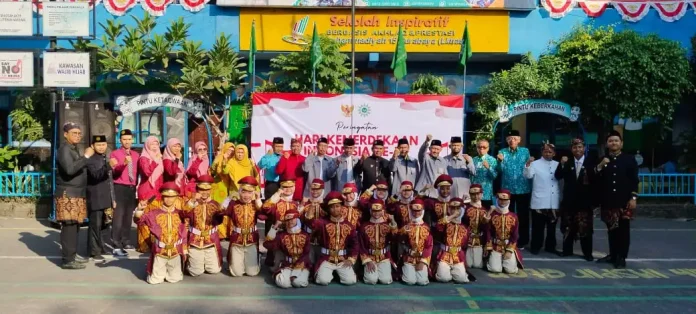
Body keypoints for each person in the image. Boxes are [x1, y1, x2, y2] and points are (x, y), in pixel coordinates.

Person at [595, 131, 638, 269]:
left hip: (624, 201)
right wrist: (601, 165)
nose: (614, 143)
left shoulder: (629, 159)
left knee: (623, 231)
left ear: (621, 143)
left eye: (616, 141)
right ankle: (612, 255)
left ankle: (621, 257)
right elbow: (595, 179)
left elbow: (634, 180)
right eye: (611, 141)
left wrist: (633, 197)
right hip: (608, 201)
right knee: (611, 229)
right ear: (607, 144)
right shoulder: (603, 159)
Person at [56, 122, 93, 269]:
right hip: (68, 193)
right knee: (69, 226)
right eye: (74, 133)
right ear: (66, 135)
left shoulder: (73, 148)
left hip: (76, 193)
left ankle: (72, 254)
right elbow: (70, 170)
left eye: (79, 133)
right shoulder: (64, 149)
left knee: (75, 225)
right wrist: (85, 157)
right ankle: (67, 259)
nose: (77, 135)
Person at [134, 183, 187, 284]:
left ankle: (170, 271)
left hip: (175, 252)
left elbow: (184, 232)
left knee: (174, 279)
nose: (169, 200)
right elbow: (139, 221)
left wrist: (184, 250)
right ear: (162, 197)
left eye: (172, 197)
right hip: (160, 252)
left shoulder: (180, 214)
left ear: (176, 197)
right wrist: (140, 209)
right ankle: (155, 271)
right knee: (154, 281)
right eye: (166, 196)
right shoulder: (154, 213)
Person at [555, 138, 596, 261]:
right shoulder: (567, 161)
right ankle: (567, 250)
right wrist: (561, 164)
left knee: (585, 228)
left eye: (579, 147)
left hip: (585, 202)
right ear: (571, 149)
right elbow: (558, 176)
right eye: (574, 147)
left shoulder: (591, 162)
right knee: (568, 227)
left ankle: (587, 253)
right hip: (569, 201)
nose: (577, 150)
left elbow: (596, 180)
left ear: (584, 148)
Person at [312, 191, 359, 286]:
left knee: (350, 281)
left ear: (342, 207)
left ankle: (337, 274)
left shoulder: (348, 225)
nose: (335, 209)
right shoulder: (322, 223)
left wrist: (351, 259)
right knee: (322, 281)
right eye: (332, 207)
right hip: (326, 259)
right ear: (328, 209)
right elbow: (310, 224)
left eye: (337, 206)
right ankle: (329, 273)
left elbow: (355, 244)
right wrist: (310, 211)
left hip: (342, 260)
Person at [220, 176, 263, 276]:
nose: (246, 195)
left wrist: (258, 200)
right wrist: (228, 198)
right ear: (239, 192)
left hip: (251, 240)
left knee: (252, 273)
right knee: (236, 273)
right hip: (237, 240)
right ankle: (235, 261)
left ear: (253, 193)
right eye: (244, 192)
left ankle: (256, 258)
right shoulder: (234, 204)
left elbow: (263, 215)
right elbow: (221, 211)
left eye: (249, 192)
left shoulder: (255, 204)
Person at [181, 175, 223, 276]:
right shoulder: (191, 203)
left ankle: (204, 261)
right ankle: (192, 263)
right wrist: (193, 201)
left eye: (207, 190)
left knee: (214, 270)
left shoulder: (216, 204)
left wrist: (222, 212)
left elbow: (219, 220)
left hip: (211, 241)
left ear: (210, 190)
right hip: (195, 241)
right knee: (195, 272)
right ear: (197, 190)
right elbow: (184, 214)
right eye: (201, 190)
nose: (204, 192)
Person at [496, 130, 532, 249]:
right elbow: (499, 170)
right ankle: (506, 238)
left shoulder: (525, 151)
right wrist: (500, 161)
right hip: (507, 190)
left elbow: (529, 167)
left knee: (523, 216)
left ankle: (523, 240)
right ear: (507, 140)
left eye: (515, 138)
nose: (512, 141)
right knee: (507, 215)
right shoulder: (502, 152)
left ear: (519, 140)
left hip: (523, 188)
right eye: (510, 138)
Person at [523, 142, 560, 255]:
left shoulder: (558, 164)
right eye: (545, 151)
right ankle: (536, 246)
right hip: (539, 201)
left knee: (552, 227)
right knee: (537, 227)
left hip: (553, 201)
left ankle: (550, 247)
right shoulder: (535, 164)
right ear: (542, 152)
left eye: (550, 152)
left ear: (554, 153)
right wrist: (528, 164)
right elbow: (528, 175)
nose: (548, 153)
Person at [264, 209, 312, 289]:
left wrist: (296, 271)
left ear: (297, 219)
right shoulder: (281, 236)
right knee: (283, 284)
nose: (290, 222)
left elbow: (306, 254)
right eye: (287, 220)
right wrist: (275, 227)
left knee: (298, 283)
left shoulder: (305, 235)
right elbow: (267, 244)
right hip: (287, 265)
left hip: (302, 265)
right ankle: (282, 276)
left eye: (292, 219)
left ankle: (301, 275)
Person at [109, 129, 139, 256]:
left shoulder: (136, 155)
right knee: (118, 217)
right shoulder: (115, 154)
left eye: (129, 139)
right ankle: (116, 244)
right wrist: (123, 164)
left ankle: (126, 240)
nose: (127, 141)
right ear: (120, 140)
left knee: (128, 216)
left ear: (132, 140)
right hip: (120, 186)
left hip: (132, 187)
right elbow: (114, 172)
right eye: (124, 139)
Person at [86, 135, 115, 262]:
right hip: (95, 197)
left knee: (103, 224)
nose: (101, 147)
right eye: (98, 145)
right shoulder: (91, 159)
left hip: (104, 197)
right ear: (92, 146)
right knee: (95, 225)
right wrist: (108, 166)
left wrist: (112, 198)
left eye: (103, 144)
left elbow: (109, 181)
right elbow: (95, 175)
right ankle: (94, 251)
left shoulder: (103, 158)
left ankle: (100, 247)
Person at [261, 175, 301, 269]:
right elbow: (265, 207)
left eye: (290, 187)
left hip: (291, 237)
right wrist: (277, 194)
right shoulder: (276, 202)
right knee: (274, 265)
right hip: (276, 234)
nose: (288, 189)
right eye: (285, 187)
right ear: (281, 188)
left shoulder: (295, 204)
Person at [433, 197, 473, 284]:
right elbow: (437, 227)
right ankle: (444, 270)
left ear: (462, 210)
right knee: (444, 278)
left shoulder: (465, 227)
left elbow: (465, 245)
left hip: (457, 256)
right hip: (444, 255)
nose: (455, 211)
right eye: (453, 208)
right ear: (449, 209)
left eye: (458, 208)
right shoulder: (445, 223)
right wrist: (452, 216)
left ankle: (453, 271)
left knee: (462, 279)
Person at [359, 199, 398, 285]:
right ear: (370, 211)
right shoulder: (364, 226)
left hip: (384, 257)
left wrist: (393, 223)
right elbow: (361, 246)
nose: (376, 213)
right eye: (374, 211)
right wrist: (367, 261)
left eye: (379, 211)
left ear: (383, 211)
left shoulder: (388, 225)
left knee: (385, 280)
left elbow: (395, 238)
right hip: (370, 257)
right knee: (371, 280)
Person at [486, 190, 524, 274]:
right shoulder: (492, 215)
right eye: (500, 199)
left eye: (505, 200)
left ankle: (510, 261)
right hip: (496, 246)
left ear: (508, 201)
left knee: (510, 270)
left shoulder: (514, 216)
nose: (503, 202)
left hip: (508, 246)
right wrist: (489, 247)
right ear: (497, 200)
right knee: (495, 269)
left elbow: (515, 235)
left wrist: (509, 250)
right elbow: (488, 230)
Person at [399, 198, 433, 286]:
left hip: (421, 258)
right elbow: (398, 240)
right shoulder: (406, 226)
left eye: (419, 211)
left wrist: (423, 262)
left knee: (422, 282)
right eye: (414, 211)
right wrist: (402, 232)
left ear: (422, 211)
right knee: (410, 281)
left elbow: (429, 246)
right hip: (409, 258)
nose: (416, 213)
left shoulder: (427, 227)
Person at [463, 184, 491, 269]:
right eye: (473, 194)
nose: (476, 197)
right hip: (468, 241)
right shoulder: (465, 209)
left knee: (477, 265)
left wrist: (487, 245)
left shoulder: (485, 211)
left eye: (478, 194)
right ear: (470, 195)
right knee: (468, 265)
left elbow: (487, 230)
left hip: (479, 241)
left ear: (482, 195)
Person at [211, 142, 235, 239]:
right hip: (219, 188)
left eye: (232, 151)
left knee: (228, 209)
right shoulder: (219, 158)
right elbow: (213, 171)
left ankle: (227, 232)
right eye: (229, 150)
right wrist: (220, 159)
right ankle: (219, 233)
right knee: (219, 208)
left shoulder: (233, 160)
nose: (230, 152)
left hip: (229, 187)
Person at [301, 178, 326, 264]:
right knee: (309, 262)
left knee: (320, 263)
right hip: (308, 238)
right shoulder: (305, 203)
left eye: (317, 189)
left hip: (322, 239)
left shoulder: (326, 204)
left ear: (322, 190)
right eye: (313, 189)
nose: (314, 191)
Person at [416, 135, 448, 199]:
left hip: (436, 194)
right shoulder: (425, 158)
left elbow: (445, 177)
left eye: (437, 149)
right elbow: (421, 152)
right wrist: (426, 142)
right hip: (423, 193)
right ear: (430, 149)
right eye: (433, 148)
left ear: (440, 150)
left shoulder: (443, 161)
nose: (435, 151)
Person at [471, 139, 498, 208]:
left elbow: (494, 176)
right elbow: (471, 176)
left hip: (486, 193)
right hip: (475, 194)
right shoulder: (474, 160)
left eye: (484, 147)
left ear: (488, 148)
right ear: (477, 148)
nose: (481, 149)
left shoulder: (492, 160)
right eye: (479, 147)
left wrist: (489, 167)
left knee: (486, 215)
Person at [137, 136, 164, 203]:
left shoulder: (159, 157)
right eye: (152, 144)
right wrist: (155, 161)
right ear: (147, 145)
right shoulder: (144, 158)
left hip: (158, 190)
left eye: (156, 144)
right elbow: (147, 172)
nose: (155, 146)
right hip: (147, 190)